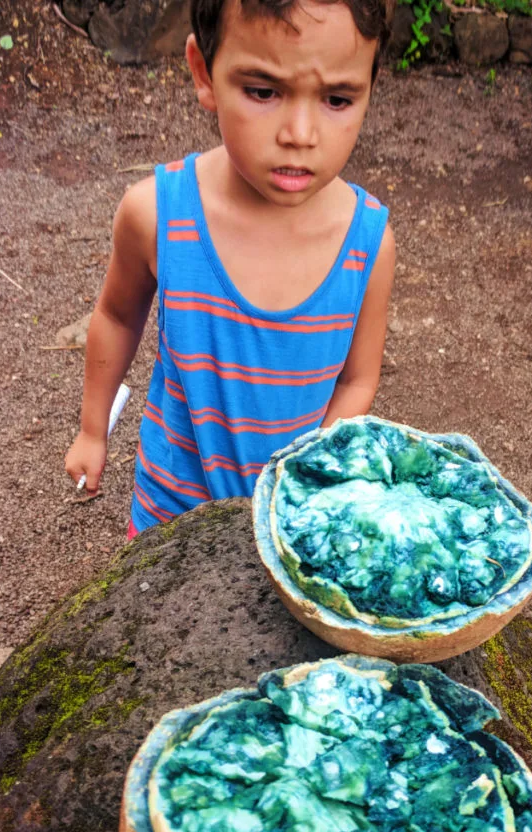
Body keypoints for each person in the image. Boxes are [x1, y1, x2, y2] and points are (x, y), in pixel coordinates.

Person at [65, 0, 396, 537]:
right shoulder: (155, 214)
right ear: (203, 73)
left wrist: (311, 479)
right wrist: (92, 430)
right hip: (169, 518)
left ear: (369, 85)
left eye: (338, 98)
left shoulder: (369, 244)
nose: (300, 133)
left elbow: (358, 379)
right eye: (263, 91)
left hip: (290, 523)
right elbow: (118, 317)